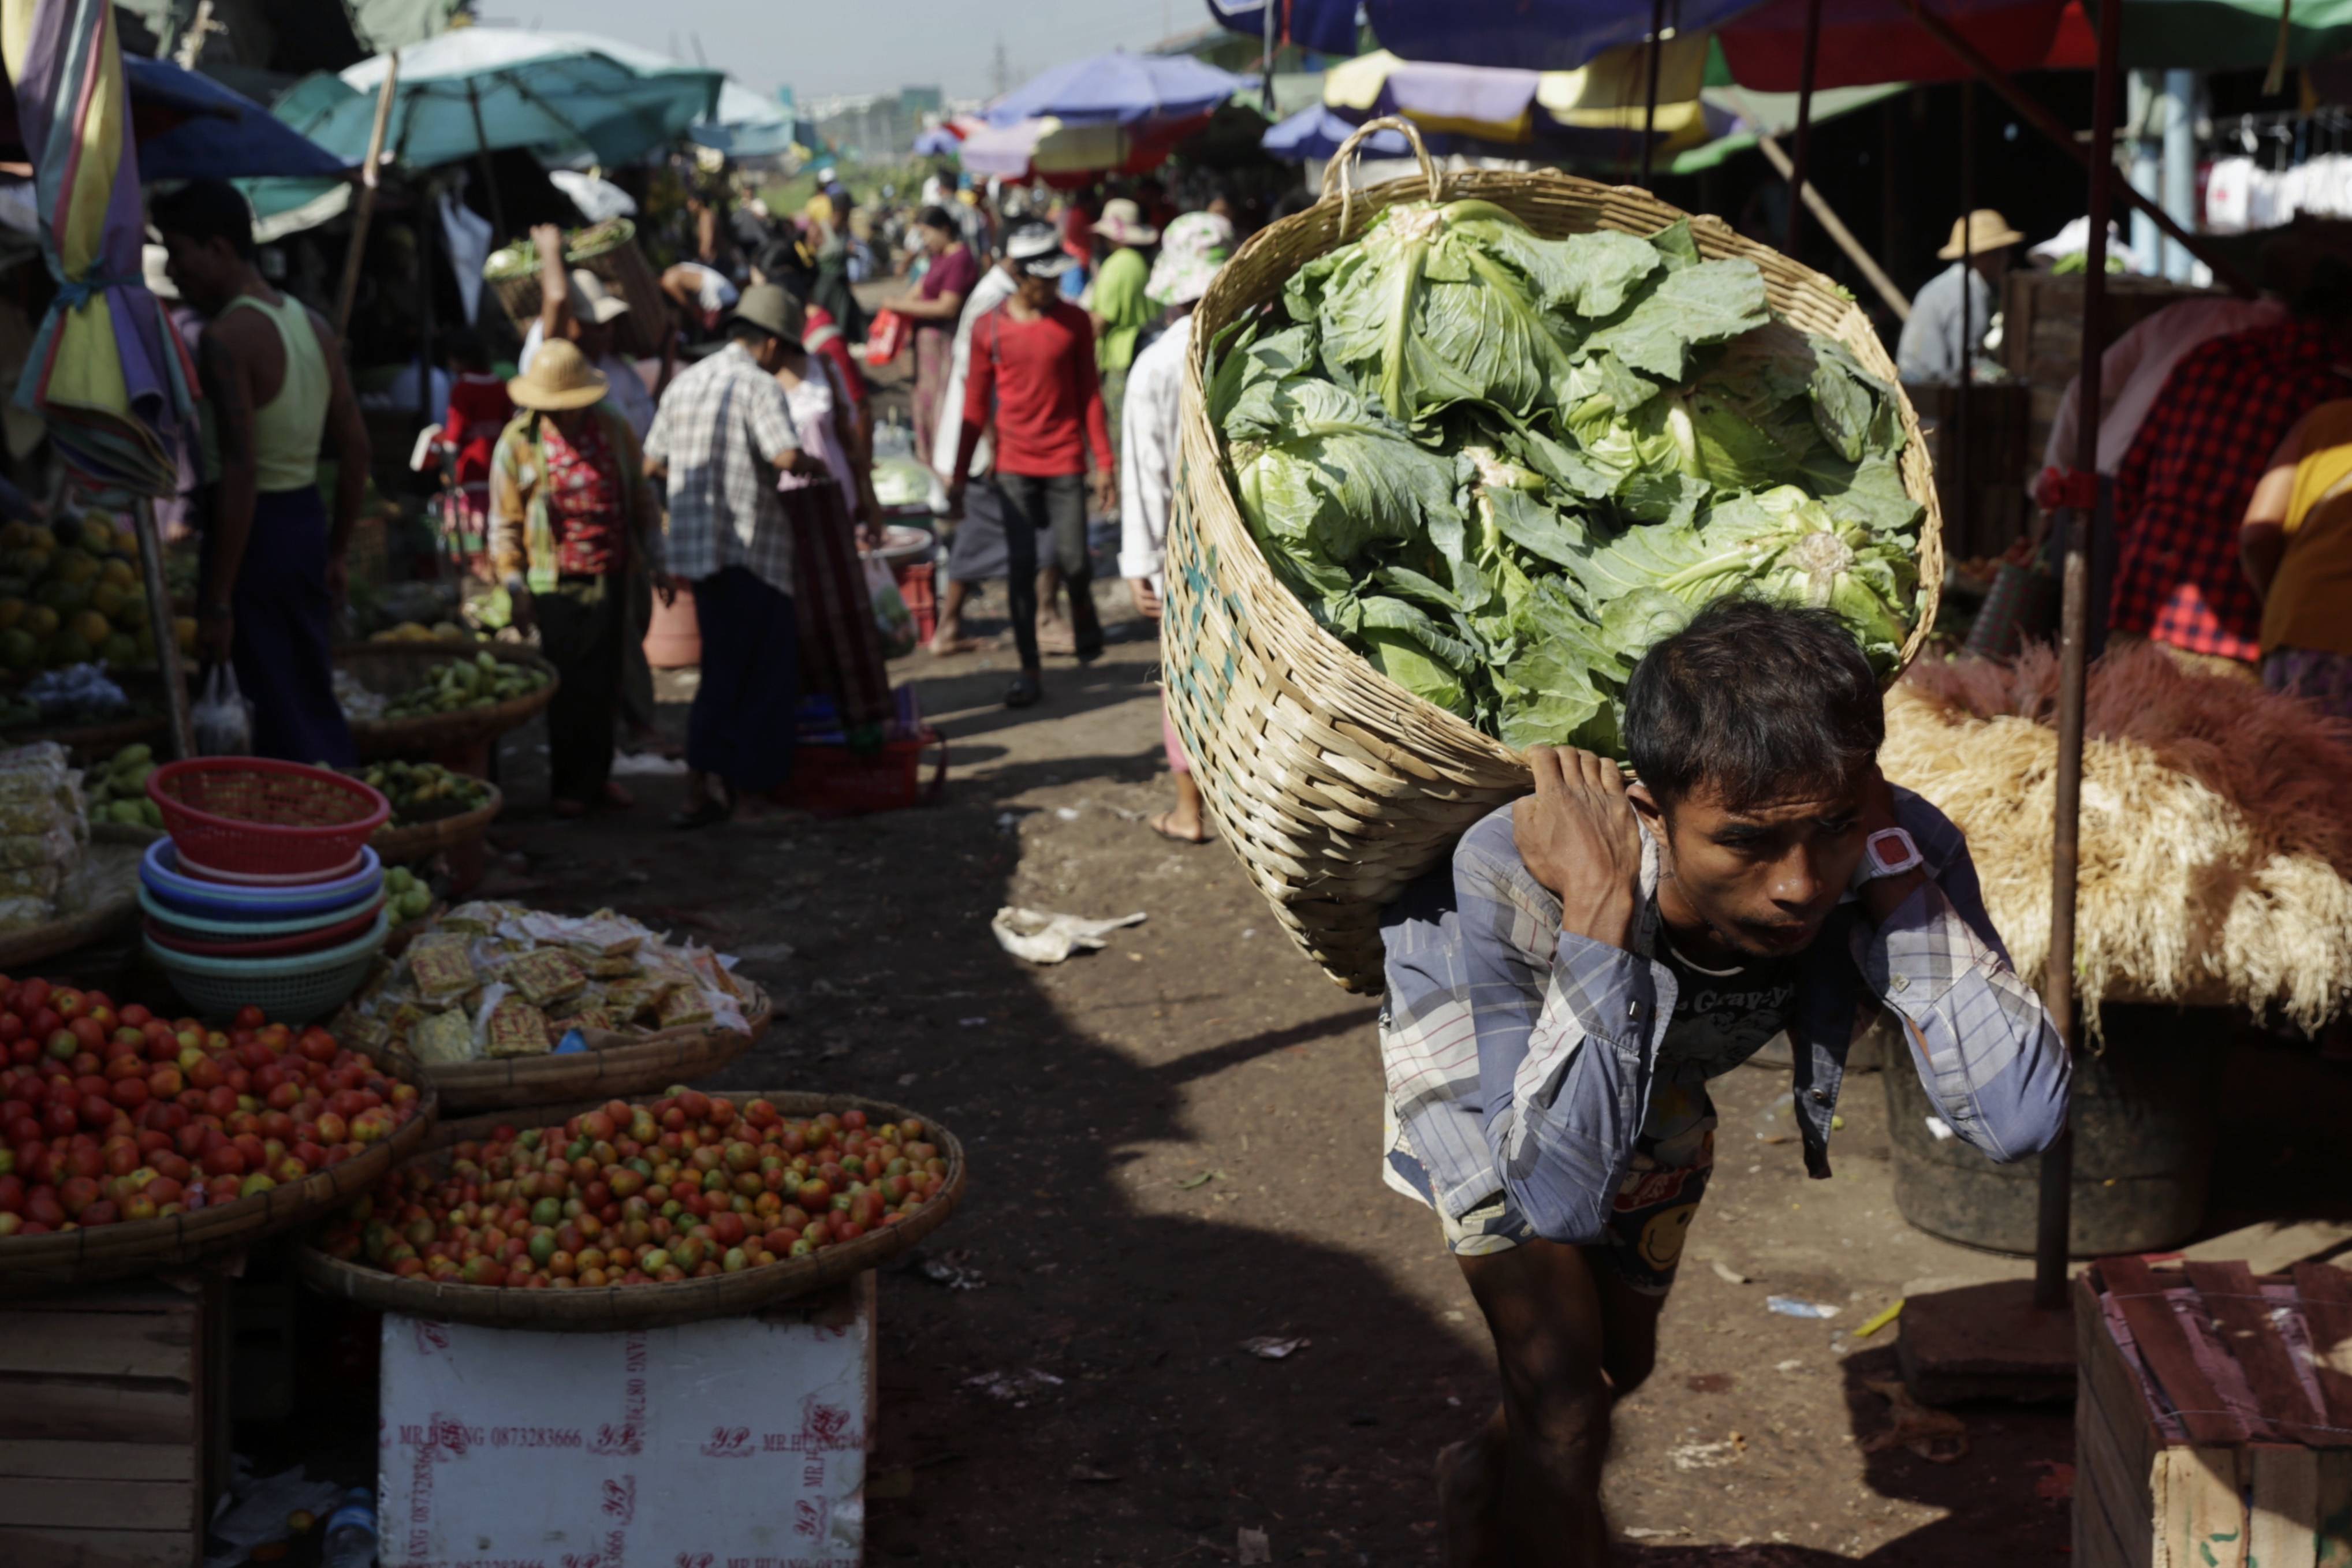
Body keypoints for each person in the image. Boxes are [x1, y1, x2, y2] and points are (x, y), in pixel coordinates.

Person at [1382, 600, 2070, 1566]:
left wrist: (1889, 868)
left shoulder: (1891, 846)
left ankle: (1478, 1484)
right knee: (1562, 1396)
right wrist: (1598, 903)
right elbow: (1550, 1192)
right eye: (1745, 841)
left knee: (1620, 1360)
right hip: (1478, 1057)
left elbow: (2019, 1118)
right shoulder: (1519, 868)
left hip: (1658, 1072)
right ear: (1651, 809)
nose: (1797, 883)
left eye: (1829, 825)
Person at [154, 178, 369, 766]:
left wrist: (218, 598)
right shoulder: (312, 325)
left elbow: (241, 478)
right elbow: (355, 449)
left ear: (219, 249)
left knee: (272, 708)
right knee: (307, 692)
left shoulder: (228, 339)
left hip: (254, 535)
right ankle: (342, 821)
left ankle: (309, 839)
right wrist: (337, 549)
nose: (174, 272)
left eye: (178, 253)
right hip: (302, 524)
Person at [2112, 240, 2352, 678]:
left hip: (2144, 602)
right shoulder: (2334, 399)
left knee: (2121, 743)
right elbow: (2261, 536)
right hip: (2237, 632)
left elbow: (2129, 477)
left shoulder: (2212, 356)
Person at [641, 285, 823, 827]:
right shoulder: (758, 385)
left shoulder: (686, 383)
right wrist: (819, 466)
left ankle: (700, 790)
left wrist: (695, 488)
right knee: (764, 679)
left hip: (701, 553)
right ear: (769, 344)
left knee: (720, 672)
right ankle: (751, 799)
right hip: (752, 550)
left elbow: (652, 465)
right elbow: (785, 454)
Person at [945, 222, 1115, 706]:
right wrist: (959, 476)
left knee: (1075, 560)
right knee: (1021, 569)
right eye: (1045, 280)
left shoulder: (1074, 323)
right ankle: (1029, 670)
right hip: (1014, 468)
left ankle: (1080, 605)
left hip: (1064, 459)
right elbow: (974, 408)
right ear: (1019, 277)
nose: (1054, 287)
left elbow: (1089, 396)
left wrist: (1104, 463)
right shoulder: (989, 329)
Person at [489, 342, 660, 817]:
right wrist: (514, 585)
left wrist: (656, 557)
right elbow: (504, 523)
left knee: (608, 679)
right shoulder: (519, 442)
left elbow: (640, 493)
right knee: (568, 687)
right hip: (554, 581)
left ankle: (598, 777)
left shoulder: (611, 425)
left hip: (613, 570)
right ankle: (570, 785)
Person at [1120, 212, 1234, 845]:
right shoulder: (1251, 343)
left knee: (1185, 674)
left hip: (1182, 547)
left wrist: (1139, 563)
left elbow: (1144, 471)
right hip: (1253, 548)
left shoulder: (1157, 363)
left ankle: (1189, 812)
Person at [767, 291, 892, 738]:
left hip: (832, 508)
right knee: (800, 621)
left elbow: (850, 443)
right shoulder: (757, 383)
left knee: (847, 614)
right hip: (782, 513)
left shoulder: (823, 369)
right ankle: (810, 721)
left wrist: (870, 504)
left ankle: (860, 714)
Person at [927, 231, 1023, 658]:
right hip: (987, 435)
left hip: (989, 432)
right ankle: (948, 627)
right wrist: (991, 438)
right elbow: (976, 375)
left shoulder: (999, 291)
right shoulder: (993, 298)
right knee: (981, 528)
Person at [2239, 398, 2352, 716]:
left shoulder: (2326, 420)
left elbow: (2257, 533)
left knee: (2292, 762)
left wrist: (2277, 600)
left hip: (2297, 630)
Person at [893, 207, 982, 464]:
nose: (924, 241)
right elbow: (917, 290)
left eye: (926, 233)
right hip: (928, 347)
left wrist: (898, 306)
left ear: (944, 229)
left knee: (944, 404)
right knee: (926, 403)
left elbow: (947, 306)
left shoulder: (960, 259)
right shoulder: (939, 257)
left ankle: (947, 464)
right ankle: (930, 459)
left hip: (945, 344)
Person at [1895, 209, 2022, 385]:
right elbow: (1964, 365)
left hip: (1917, 385)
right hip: (1931, 395)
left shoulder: (1947, 285)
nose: (2007, 260)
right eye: (2002, 253)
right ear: (1984, 256)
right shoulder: (1968, 293)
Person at [1089, 196, 1161, 480]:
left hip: (1120, 360)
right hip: (1142, 354)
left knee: (1122, 436)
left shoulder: (1117, 266)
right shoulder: (1139, 264)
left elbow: (1101, 320)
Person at [435, 330, 512, 567]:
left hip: (471, 469)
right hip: (498, 466)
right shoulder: (500, 385)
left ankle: (478, 571)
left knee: (473, 531)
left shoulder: (463, 389)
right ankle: (499, 566)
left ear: (460, 359)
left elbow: (454, 435)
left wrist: (442, 449)